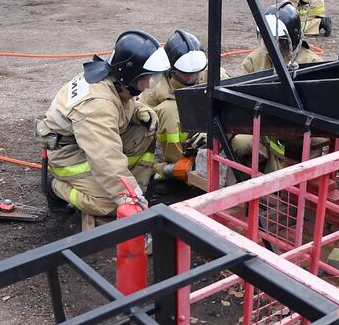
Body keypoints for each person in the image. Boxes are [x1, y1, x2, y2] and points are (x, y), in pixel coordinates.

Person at [38, 31, 165, 220]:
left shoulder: (112, 78)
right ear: (127, 73)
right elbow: (106, 158)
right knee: (108, 204)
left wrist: (138, 109)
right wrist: (129, 198)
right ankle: (55, 187)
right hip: (68, 153)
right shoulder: (96, 105)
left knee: (145, 127)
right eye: (145, 78)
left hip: (84, 140)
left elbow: (116, 102)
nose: (148, 84)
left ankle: (132, 187)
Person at [234, 2, 325, 171]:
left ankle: (281, 176)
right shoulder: (253, 61)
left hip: (297, 135)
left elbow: (320, 111)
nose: (269, 44)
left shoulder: (312, 63)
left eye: (278, 40)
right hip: (263, 128)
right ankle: (257, 175)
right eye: (266, 38)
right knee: (240, 143)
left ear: (292, 38)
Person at [139, 30, 210, 179]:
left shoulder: (211, 73)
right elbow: (141, 115)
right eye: (185, 74)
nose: (191, 77)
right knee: (168, 110)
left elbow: (229, 103)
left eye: (195, 73)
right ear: (171, 70)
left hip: (204, 128)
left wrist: (210, 132)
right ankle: (177, 166)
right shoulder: (156, 85)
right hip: (179, 128)